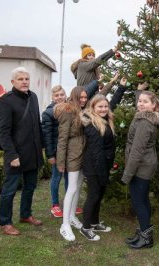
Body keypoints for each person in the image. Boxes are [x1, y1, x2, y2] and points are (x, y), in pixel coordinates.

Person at [0, 67, 44, 236]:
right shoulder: (5, 101)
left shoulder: (34, 97)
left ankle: (25, 215)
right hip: (16, 156)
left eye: (26, 79)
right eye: (20, 79)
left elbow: (37, 125)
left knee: (30, 187)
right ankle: (5, 222)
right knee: (9, 191)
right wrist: (12, 155)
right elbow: (3, 133)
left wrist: (43, 147)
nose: (24, 82)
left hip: (33, 154)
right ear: (12, 82)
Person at [79, 78, 128, 241]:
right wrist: (102, 174)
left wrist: (121, 87)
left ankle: (94, 222)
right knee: (93, 195)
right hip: (94, 167)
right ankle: (85, 227)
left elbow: (113, 102)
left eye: (105, 106)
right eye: (100, 106)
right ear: (93, 108)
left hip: (102, 165)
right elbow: (96, 153)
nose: (104, 109)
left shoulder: (105, 118)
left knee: (99, 195)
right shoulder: (93, 125)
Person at [121, 90, 159, 249]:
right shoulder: (144, 117)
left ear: (153, 105)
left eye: (145, 101)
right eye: (139, 101)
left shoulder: (144, 122)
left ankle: (146, 238)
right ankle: (142, 232)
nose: (141, 103)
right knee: (143, 199)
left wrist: (128, 174)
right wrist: (140, 91)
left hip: (141, 166)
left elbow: (137, 151)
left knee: (139, 201)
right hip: (145, 164)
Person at [55, 86, 88, 241]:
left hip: (83, 152)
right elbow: (62, 139)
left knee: (78, 186)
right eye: (80, 97)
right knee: (72, 188)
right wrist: (60, 162)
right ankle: (65, 225)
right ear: (74, 96)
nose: (83, 100)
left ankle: (73, 216)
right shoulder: (68, 111)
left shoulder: (82, 111)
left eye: (85, 97)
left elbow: (101, 95)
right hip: (72, 154)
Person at [42, 85, 69, 218]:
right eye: (56, 95)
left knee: (69, 178)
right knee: (57, 177)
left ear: (65, 95)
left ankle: (69, 203)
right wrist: (50, 154)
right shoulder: (48, 113)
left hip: (70, 151)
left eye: (61, 94)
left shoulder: (70, 109)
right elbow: (47, 136)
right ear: (53, 97)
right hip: (56, 152)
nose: (59, 97)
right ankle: (55, 205)